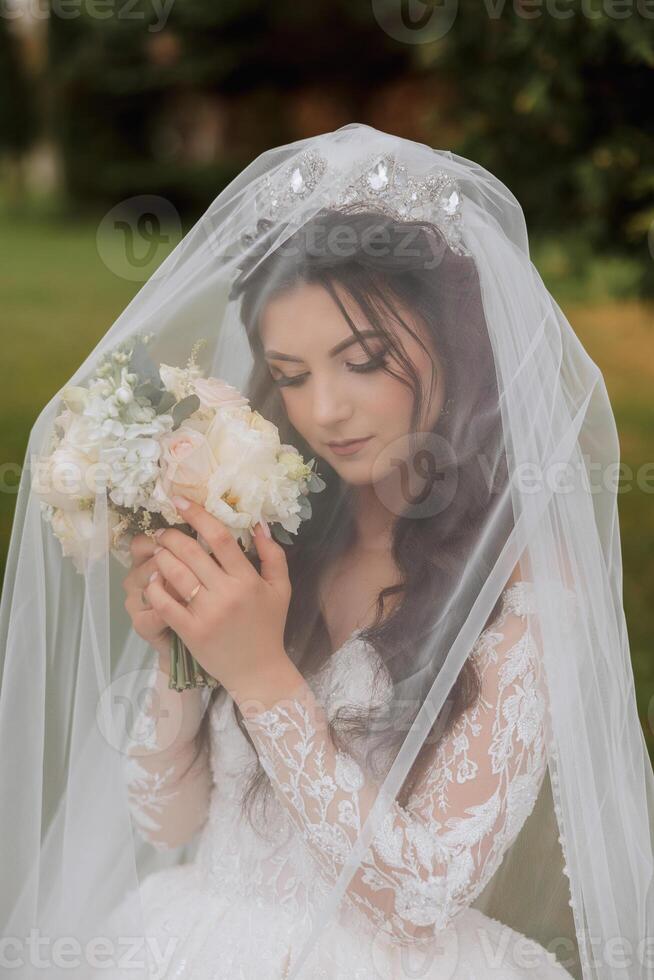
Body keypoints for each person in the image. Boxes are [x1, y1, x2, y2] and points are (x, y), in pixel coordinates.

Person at [1, 124, 652, 980]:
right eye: (295, 374)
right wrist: (180, 660)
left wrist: (264, 677)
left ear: (455, 341)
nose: (327, 412)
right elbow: (167, 820)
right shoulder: (282, 535)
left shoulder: (524, 590)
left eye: (364, 360)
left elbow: (422, 898)